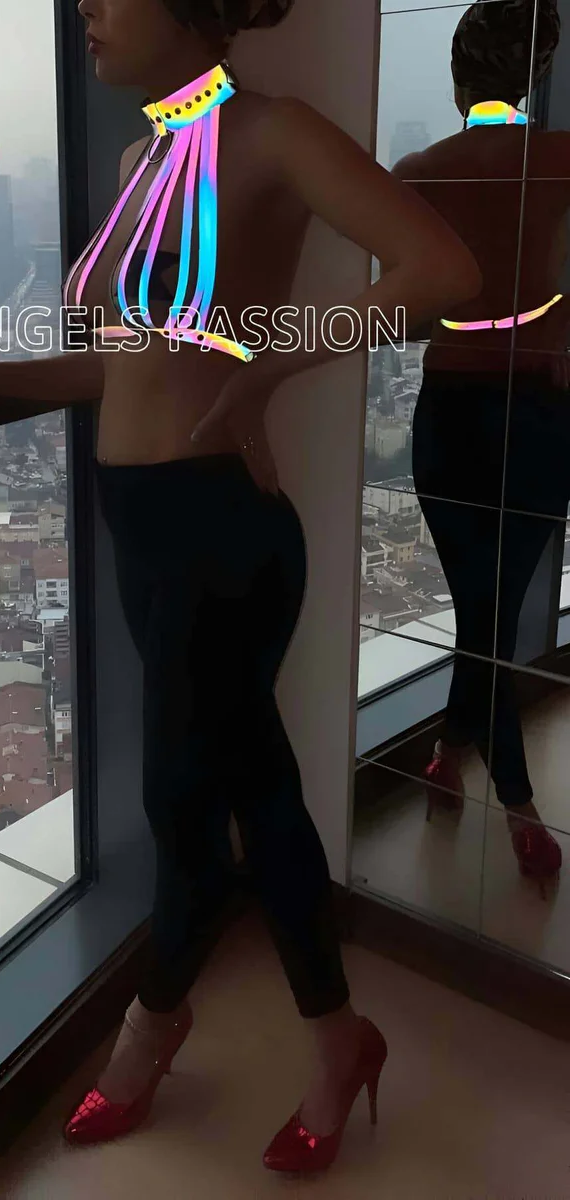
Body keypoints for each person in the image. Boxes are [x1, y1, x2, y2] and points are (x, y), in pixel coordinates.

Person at [0, 0, 480, 1174]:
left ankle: (159, 1032)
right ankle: (329, 1040)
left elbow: (441, 269)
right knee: (241, 797)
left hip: (217, 530)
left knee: (185, 810)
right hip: (145, 533)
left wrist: (271, 362)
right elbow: (120, 370)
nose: (87, 10)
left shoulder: (270, 132)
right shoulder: (140, 160)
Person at [392, 0, 567, 897]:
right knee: (488, 611)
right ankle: (513, 797)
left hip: (452, 413)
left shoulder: (417, 173)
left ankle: (463, 763)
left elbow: (401, 316)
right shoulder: (565, 160)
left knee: (480, 609)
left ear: (459, 79)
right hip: (542, 411)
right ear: (534, 74)